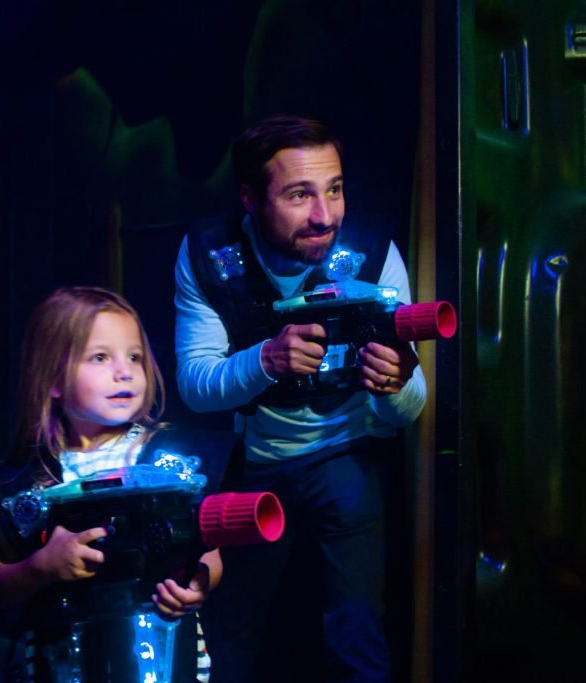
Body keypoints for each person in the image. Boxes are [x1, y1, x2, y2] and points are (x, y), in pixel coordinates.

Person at [173, 115, 426, 682]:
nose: (325, 215)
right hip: (255, 459)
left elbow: (413, 407)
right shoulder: (209, 255)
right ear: (250, 198)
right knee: (228, 632)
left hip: (345, 449)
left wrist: (394, 384)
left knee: (358, 633)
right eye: (299, 194)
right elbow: (195, 383)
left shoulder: (372, 251)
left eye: (334, 189)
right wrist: (266, 359)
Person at [0, 286, 227, 682]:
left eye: (134, 357)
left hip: (161, 655)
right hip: (62, 661)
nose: (124, 371)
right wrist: (41, 567)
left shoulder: (168, 459)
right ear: (53, 379)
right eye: (99, 357)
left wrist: (199, 582)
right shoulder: (26, 481)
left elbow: (207, 552)